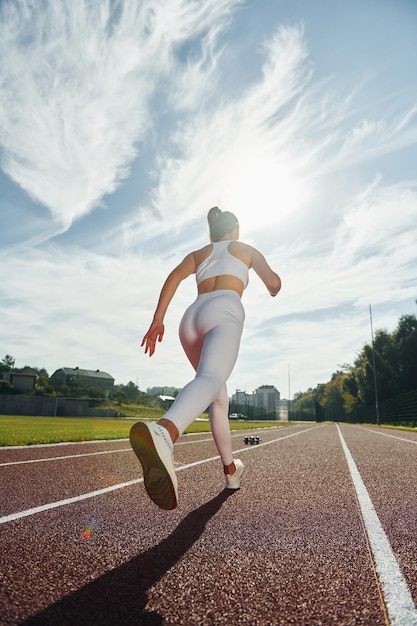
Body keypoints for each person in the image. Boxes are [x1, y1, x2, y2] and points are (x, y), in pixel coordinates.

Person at [130, 207, 281, 509]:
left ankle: (230, 470)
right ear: (235, 228)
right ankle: (165, 432)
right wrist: (264, 270)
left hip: (191, 318)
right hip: (224, 308)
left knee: (217, 396)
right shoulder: (245, 249)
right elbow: (274, 286)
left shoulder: (200, 253)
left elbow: (174, 276)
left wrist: (158, 320)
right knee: (211, 380)